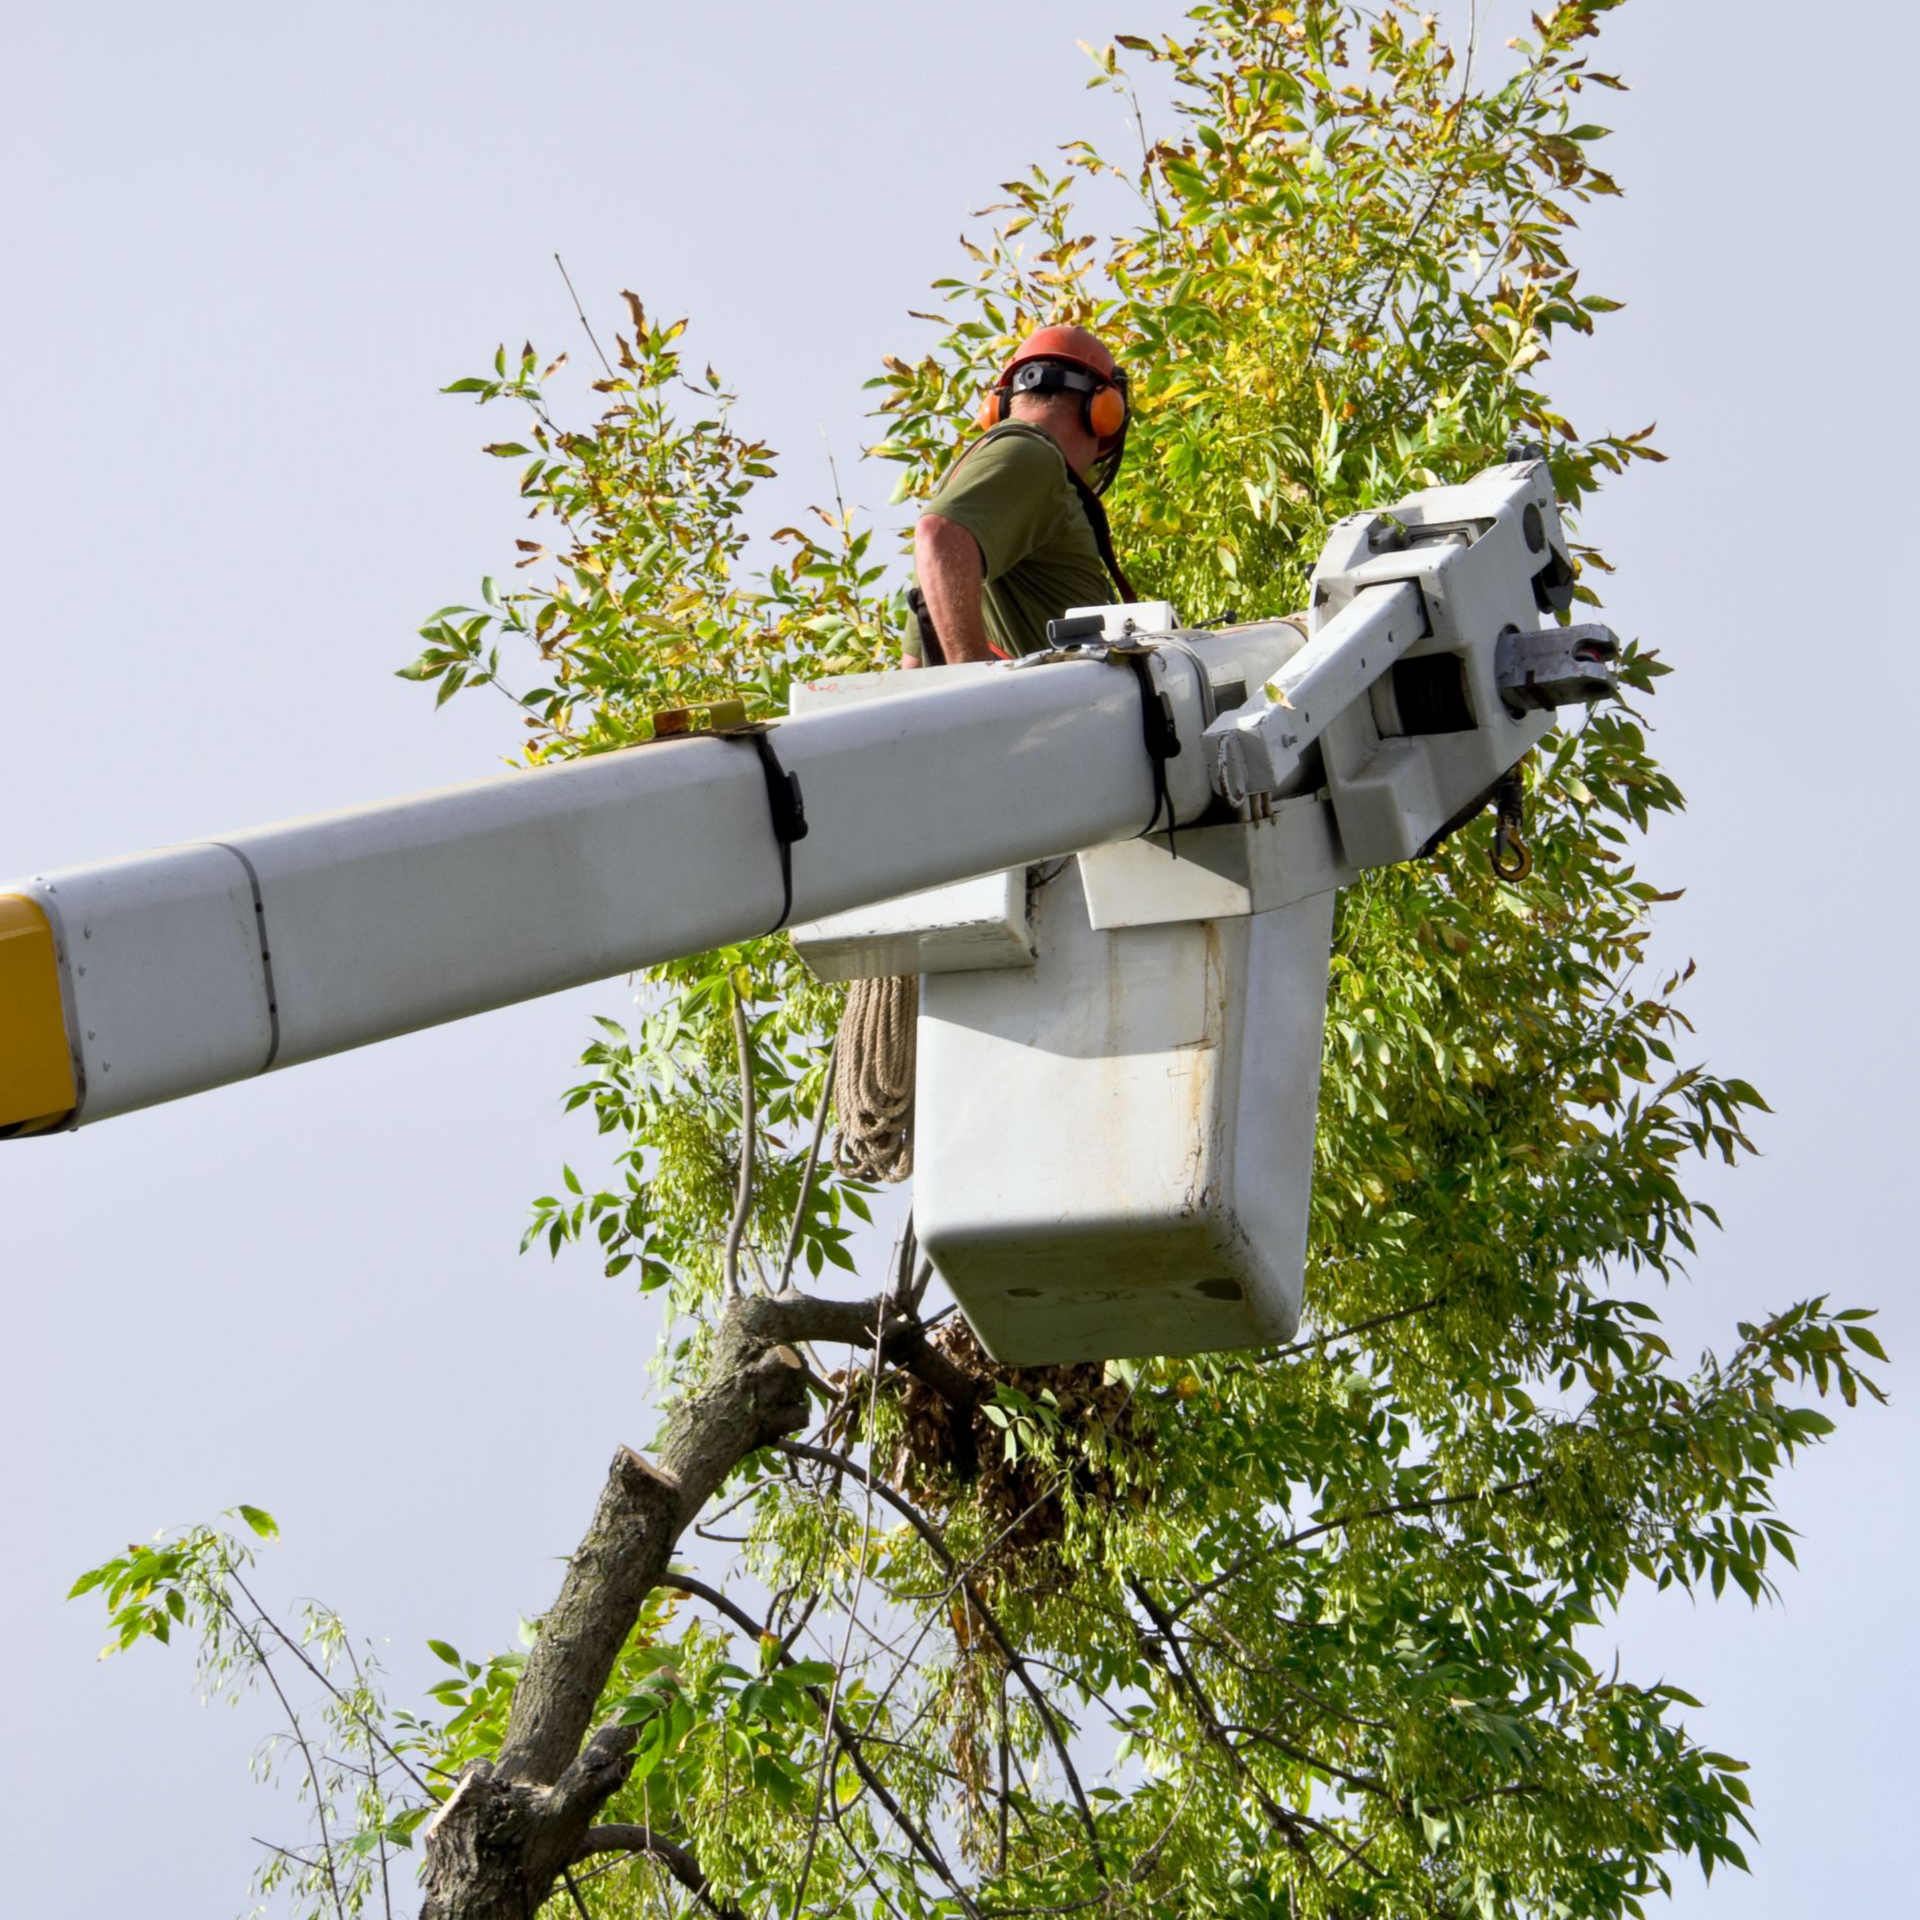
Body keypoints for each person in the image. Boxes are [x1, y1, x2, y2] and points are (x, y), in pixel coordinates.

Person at [901, 324, 1136, 668]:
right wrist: (978, 688)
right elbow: (937, 533)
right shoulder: (1031, 455)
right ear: (1104, 411)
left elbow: (912, 669)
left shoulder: (974, 493)